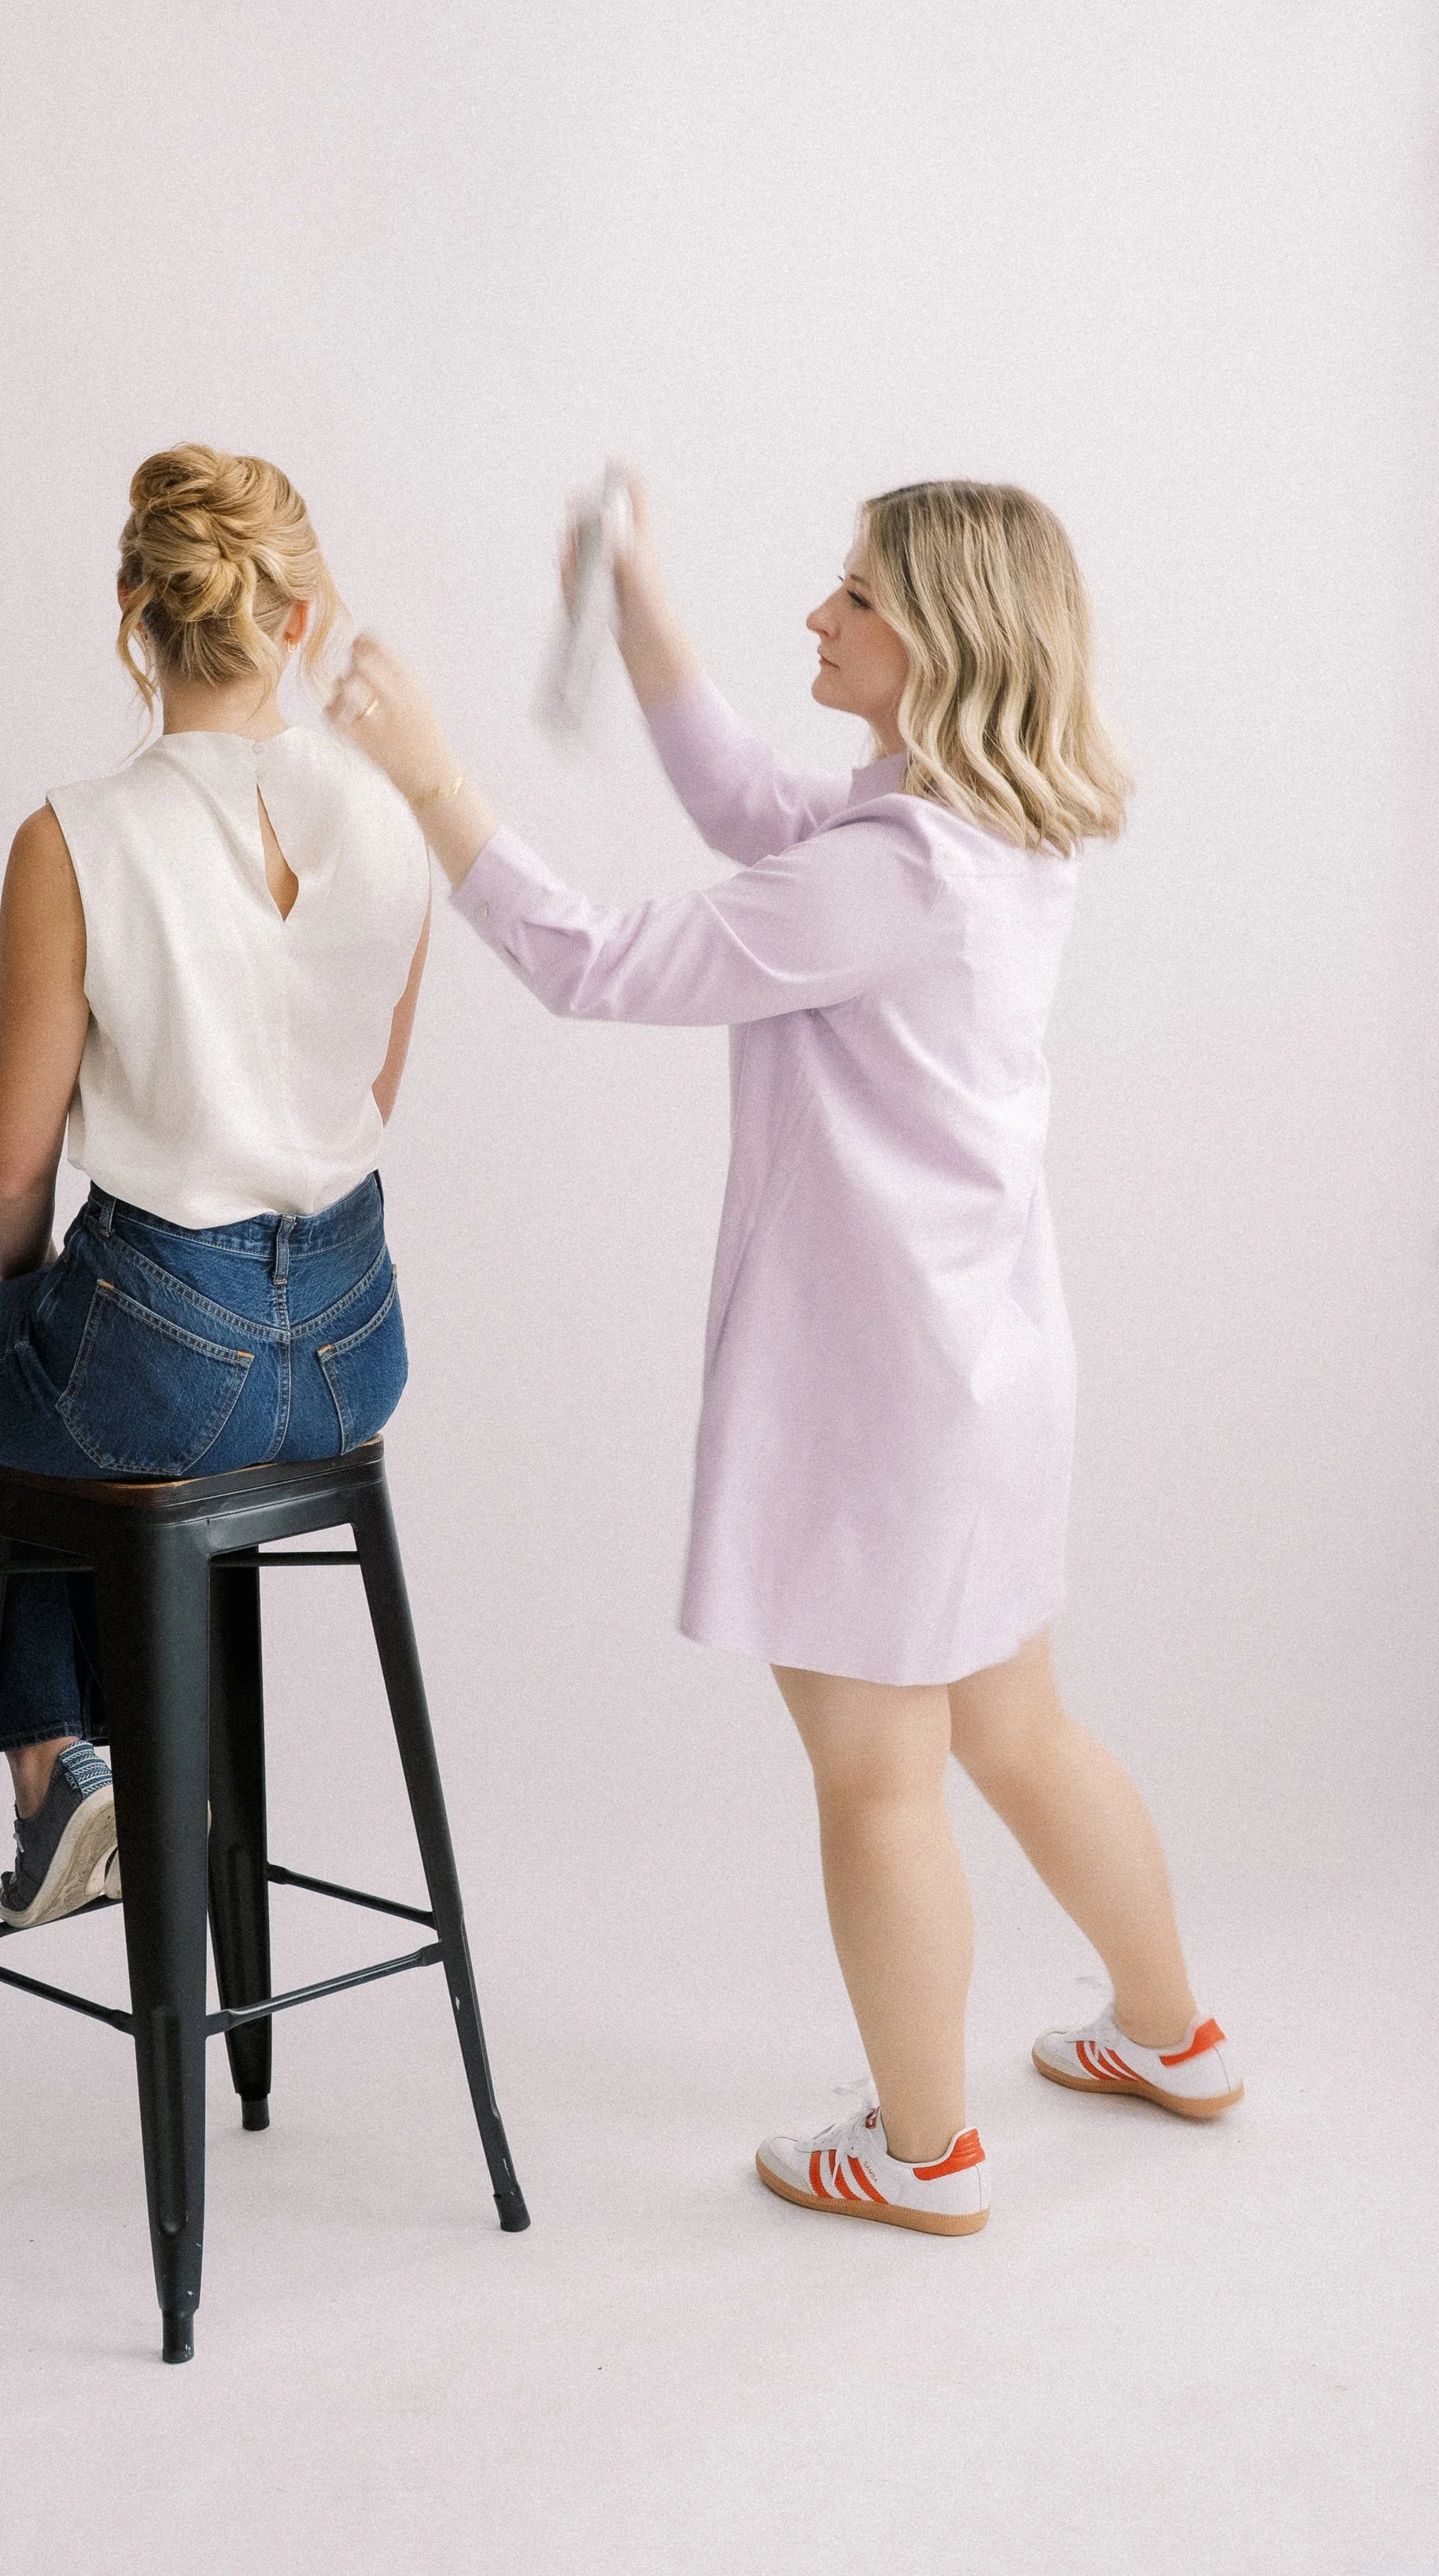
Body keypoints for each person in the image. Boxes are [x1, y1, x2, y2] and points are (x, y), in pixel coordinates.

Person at [329, 474, 1239, 2239]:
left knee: (877, 1775)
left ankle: (919, 2152)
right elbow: (755, 805)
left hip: (882, 1399)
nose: (816, 618)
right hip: (985, 1372)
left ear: (940, 646)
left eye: (852, 599)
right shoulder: (974, 822)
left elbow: (596, 961)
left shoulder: (889, 877)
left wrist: (428, 777)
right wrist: (639, 608)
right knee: (1017, 1726)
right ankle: (1168, 2034)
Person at [0, 447, 432, 1929]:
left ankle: (66, 1768)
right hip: (356, 1356)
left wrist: (31, 1295)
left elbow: (10, 1167)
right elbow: (366, 1097)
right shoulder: (392, 822)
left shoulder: (74, 837)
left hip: (158, 1359)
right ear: (297, 620)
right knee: (64, 1386)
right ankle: (136, 1798)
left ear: (134, 605)